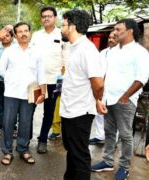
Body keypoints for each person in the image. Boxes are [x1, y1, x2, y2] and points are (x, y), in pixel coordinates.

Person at [91, 19, 149, 180]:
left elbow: (142, 78)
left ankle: (124, 167)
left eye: (118, 29)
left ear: (130, 31)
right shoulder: (112, 51)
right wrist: (101, 97)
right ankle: (108, 161)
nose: (115, 32)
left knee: (125, 135)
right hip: (108, 99)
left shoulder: (140, 52)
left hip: (125, 101)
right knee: (109, 132)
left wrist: (125, 97)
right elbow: (105, 74)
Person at [60, 10, 105, 180]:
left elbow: (98, 83)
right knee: (71, 151)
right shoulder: (73, 47)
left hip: (80, 111)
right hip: (69, 109)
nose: (61, 29)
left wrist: (97, 100)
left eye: (63, 25)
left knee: (80, 156)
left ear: (73, 26)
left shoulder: (87, 49)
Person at [0, 22, 46, 165]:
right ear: (16, 35)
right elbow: (0, 69)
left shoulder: (37, 51)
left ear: (30, 32)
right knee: (8, 123)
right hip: (11, 93)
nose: (24, 34)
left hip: (29, 94)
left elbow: (41, 74)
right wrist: (11, 78)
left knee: (25, 123)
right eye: (20, 31)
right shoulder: (9, 51)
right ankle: (7, 151)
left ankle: (23, 149)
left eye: (26, 31)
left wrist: (42, 93)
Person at [30, 6, 67, 154]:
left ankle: (42, 140)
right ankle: (25, 139)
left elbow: (67, 59)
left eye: (49, 16)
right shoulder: (36, 36)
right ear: (41, 19)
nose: (46, 18)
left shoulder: (62, 34)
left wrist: (62, 81)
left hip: (54, 81)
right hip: (35, 80)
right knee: (29, 110)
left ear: (55, 18)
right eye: (44, 16)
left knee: (49, 112)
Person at [89, 31, 118, 145]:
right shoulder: (103, 53)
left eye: (114, 38)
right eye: (110, 37)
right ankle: (100, 136)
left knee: (113, 116)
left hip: (115, 90)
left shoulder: (123, 54)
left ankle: (113, 140)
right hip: (101, 88)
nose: (111, 40)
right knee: (99, 113)